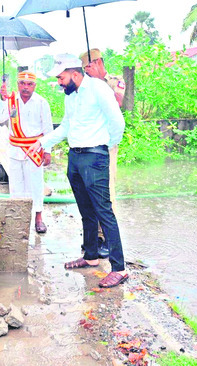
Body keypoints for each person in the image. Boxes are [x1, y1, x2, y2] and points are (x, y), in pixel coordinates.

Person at [27, 54, 128, 288]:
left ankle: (119, 268)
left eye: (61, 78)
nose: (59, 82)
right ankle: (91, 255)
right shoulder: (71, 96)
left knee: (104, 211)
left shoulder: (98, 89)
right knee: (85, 209)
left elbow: (117, 122)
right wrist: (42, 143)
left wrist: (104, 145)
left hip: (94, 156)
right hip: (75, 157)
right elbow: (66, 127)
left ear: (74, 74)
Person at [80, 48, 127, 257]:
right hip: (90, 144)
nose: (86, 72)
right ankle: (95, 238)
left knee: (106, 191)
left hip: (107, 144)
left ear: (98, 63)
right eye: (84, 69)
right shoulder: (85, 85)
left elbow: (116, 105)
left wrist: (99, 80)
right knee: (89, 191)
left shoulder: (115, 80)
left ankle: (109, 238)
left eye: (88, 67)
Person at [0, 71, 53, 234]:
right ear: (18, 84)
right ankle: (17, 217)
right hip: (15, 150)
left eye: (29, 84)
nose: (25, 87)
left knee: (35, 184)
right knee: (16, 185)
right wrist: (2, 99)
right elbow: (0, 118)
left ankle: (38, 218)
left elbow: (48, 129)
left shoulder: (42, 102)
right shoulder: (12, 100)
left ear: (35, 85)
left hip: (34, 150)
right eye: (22, 83)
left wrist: (47, 151)